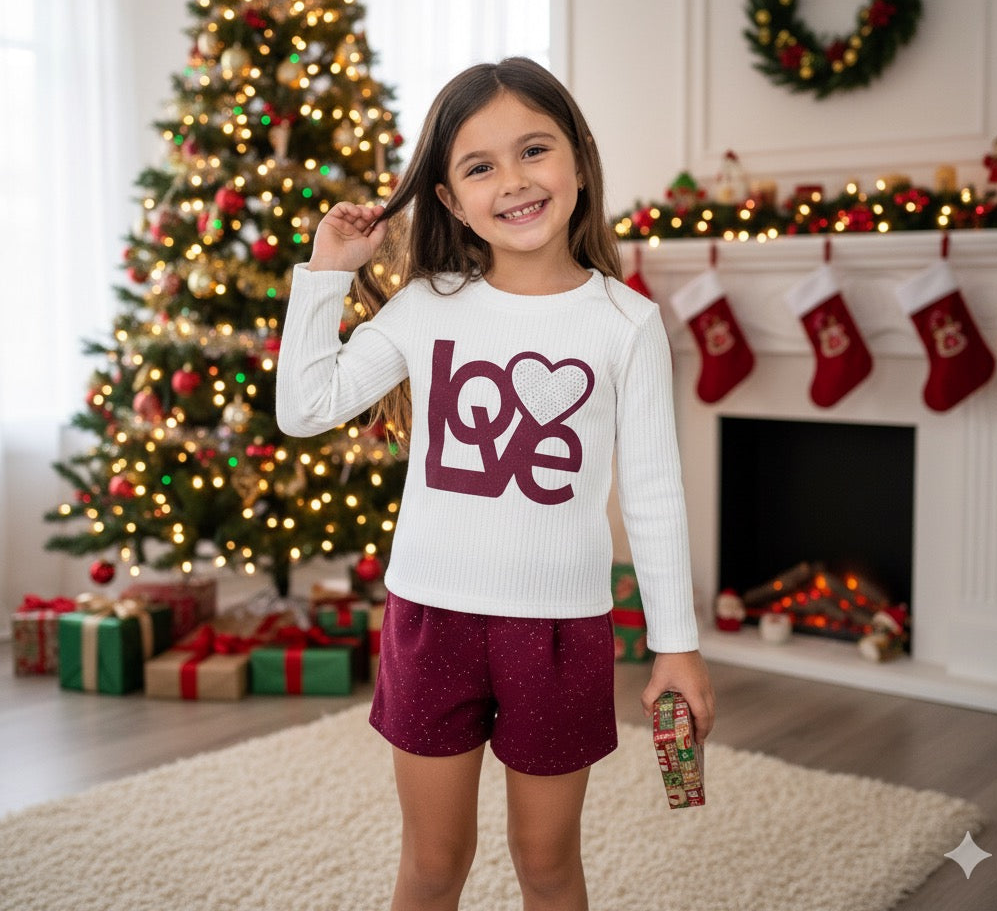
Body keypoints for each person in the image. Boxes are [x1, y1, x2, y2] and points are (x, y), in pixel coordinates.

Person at [276, 57, 715, 911]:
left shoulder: (626, 323)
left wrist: (677, 644)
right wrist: (328, 270)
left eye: (534, 150)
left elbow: (654, 493)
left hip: (560, 630)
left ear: (579, 158)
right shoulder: (426, 306)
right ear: (448, 198)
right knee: (433, 862)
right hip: (430, 621)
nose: (513, 181)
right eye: (480, 166)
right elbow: (305, 406)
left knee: (546, 864)